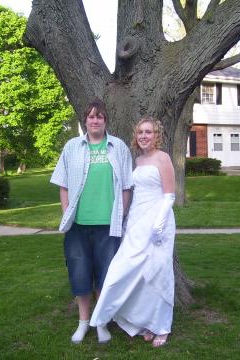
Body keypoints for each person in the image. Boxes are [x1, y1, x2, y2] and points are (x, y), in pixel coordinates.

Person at [50, 99, 133, 344]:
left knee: (106, 276)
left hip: (109, 226)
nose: (95, 121)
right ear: (84, 120)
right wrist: (67, 213)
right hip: (78, 226)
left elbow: (127, 186)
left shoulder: (118, 147)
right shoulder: (72, 147)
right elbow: (63, 185)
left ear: (105, 120)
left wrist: (122, 214)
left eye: (99, 117)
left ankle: (101, 323)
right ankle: (83, 322)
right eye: (91, 117)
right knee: (80, 274)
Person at [90, 116, 176, 348]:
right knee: (125, 270)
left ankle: (161, 327)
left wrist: (159, 223)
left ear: (156, 135)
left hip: (159, 221)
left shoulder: (163, 158)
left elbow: (169, 194)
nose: (144, 136)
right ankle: (142, 320)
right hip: (137, 221)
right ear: (136, 136)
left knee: (157, 272)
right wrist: (127, 221)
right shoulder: (137, 161)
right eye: (140, 133)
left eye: (149, 132)